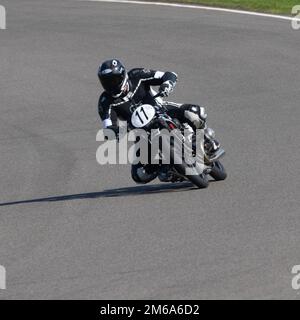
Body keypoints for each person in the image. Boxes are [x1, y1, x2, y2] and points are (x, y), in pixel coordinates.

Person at [98, 59, 219, 183]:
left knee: (195, 112)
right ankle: (167, 169)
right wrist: (116, 132)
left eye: (114, 80)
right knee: (139, 175)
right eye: (106, 82)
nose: (111, 84)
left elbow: (169, 75)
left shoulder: (137, 75)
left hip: (163, 110)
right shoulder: (105, 101)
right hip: (141, 133)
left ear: (123, 75)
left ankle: (208, 140)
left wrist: (167, 84)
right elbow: (108, 126)